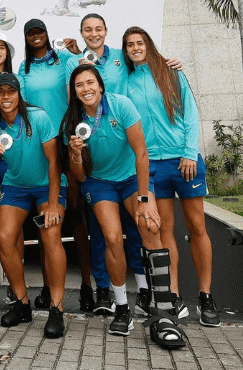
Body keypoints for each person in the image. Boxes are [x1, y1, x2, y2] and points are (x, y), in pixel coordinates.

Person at [63, 64, 186, 349]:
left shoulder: (122, 105)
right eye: (79, 85)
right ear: (74, 92)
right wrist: (76, 154)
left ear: (101, 85)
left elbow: (142, 153)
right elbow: (80, 177)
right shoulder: (72, 121)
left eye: (90, 82)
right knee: (112, 237)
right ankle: (122, 308)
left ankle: (164, 313)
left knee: (150, 226)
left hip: (132, 176)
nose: (86, 89)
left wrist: (144, 199)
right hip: (99, 182)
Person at [122, 27, 218, 328]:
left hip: (183, 160)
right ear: (126, 51)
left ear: (148, 45)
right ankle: (172, 295)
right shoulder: (127, 83)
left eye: (140, 43)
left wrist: (190, 152)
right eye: (130, 45)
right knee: (165, 233)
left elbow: (191, 113)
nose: (135, 48)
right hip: (154, 166)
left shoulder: (172, 72)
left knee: (197, 226)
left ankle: (205, 296)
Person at [0, 72, 67, 339]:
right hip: (16, 186)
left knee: (51, 233)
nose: (6, 97)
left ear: (19, 94)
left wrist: (52, 203)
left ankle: (57, 308)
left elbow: (54, 161)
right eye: (0, 92)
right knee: (4, 237)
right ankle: (22, 302)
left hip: (47, 186)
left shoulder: (37, 117)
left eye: (11, 91)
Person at [17, 19, 94, 310]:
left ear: (47, 34)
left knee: (75, 215)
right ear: (26, 38)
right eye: (31, 33)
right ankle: (49, 288)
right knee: (47, 217)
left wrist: (76, 49)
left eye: (40, 31)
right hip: (40, 146)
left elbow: (85, 71)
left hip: (67, 141)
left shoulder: (63, 59)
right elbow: (22, 106)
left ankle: (86, 285)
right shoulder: (23, 70)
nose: (36, 36)